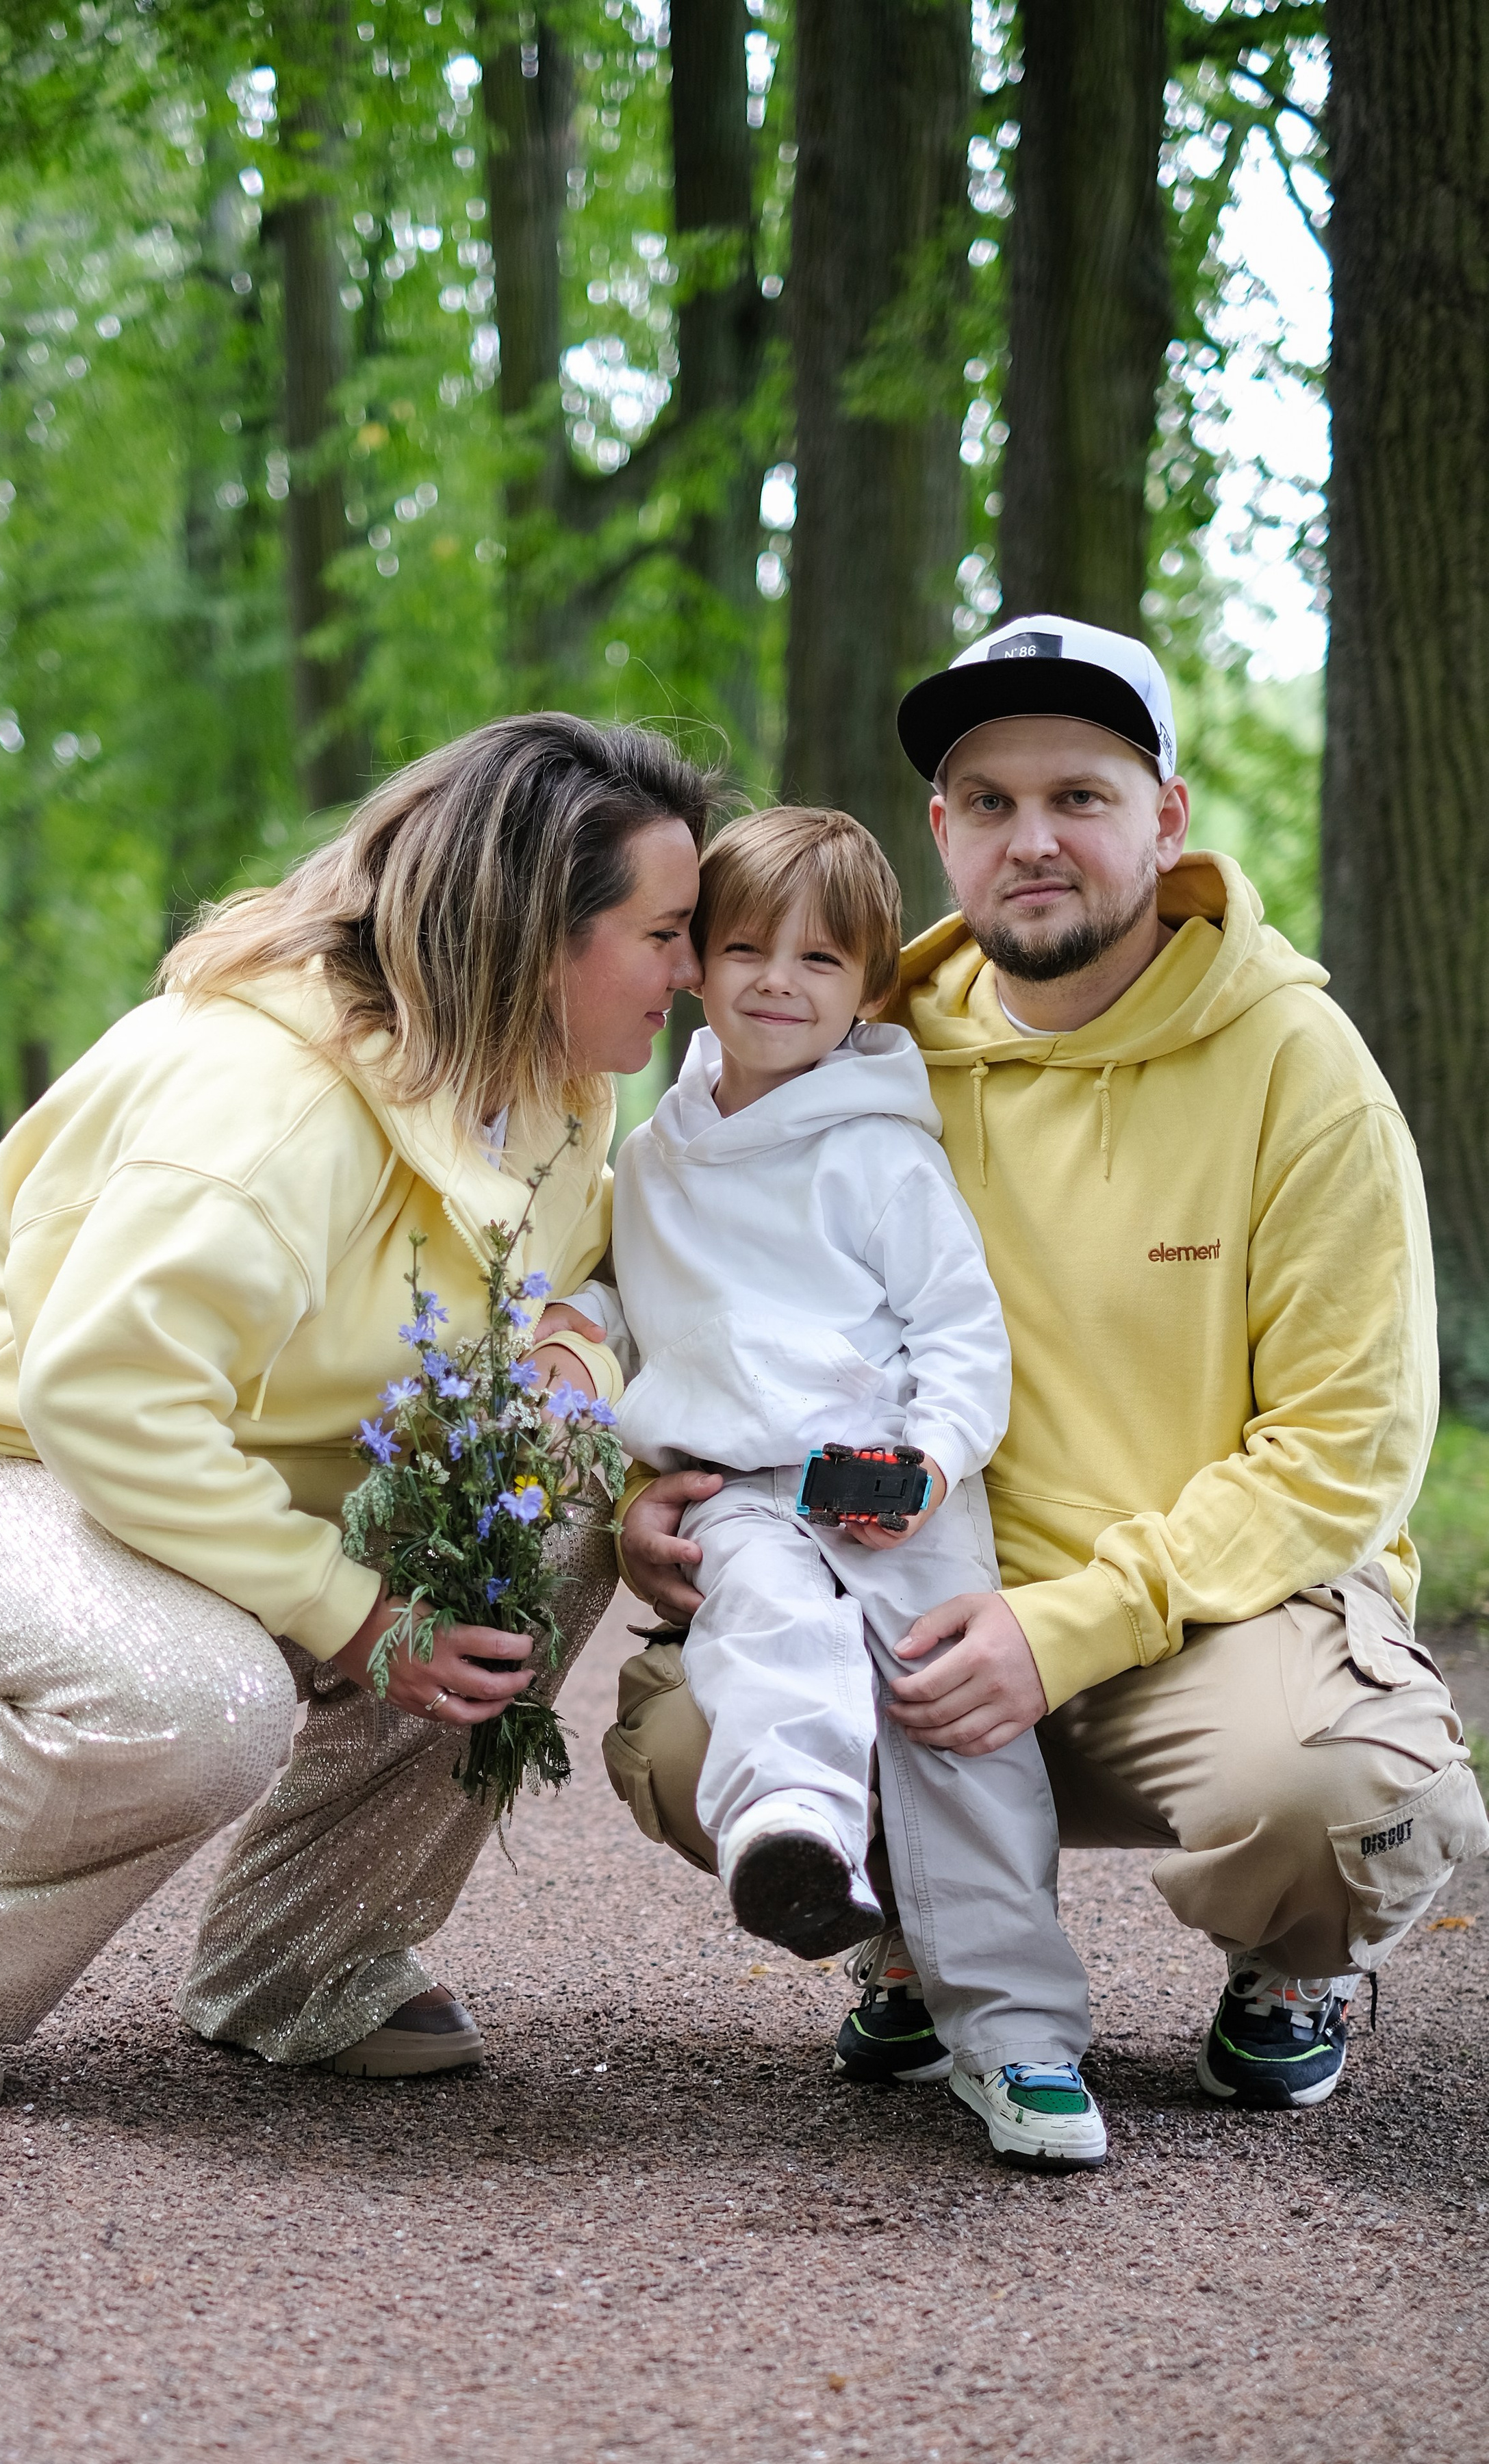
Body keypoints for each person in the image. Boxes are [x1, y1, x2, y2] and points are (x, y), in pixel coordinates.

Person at [606, 616, 1489, 2117]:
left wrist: (1072, 1623)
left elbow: (1344, 1448)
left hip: (1198, 1626)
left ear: (1164, 819)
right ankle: (903, 1946)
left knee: (1343, 1794)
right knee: (694, 1728)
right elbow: (707, 1265)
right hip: (912, 1597)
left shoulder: (1295, 1065)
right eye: (992, 803)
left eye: (1079, 796)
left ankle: (1294, 1957)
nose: (1035, 840)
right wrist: (648, 1487)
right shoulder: (856, 1042)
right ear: (941, 834)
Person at [0, 714, 709, 2107]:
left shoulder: (561, 1086)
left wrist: (575, 1351)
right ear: (533, 935)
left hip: (218, 1473)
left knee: (554, 1497)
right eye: (664, 932)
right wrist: (346, 1612)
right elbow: (105, 1395)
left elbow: (573, 1279)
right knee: (194, 1701)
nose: (690, 970)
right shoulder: (271, 1103)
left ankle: (303, 1963)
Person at [563, 806, 1103, 2169]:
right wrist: (568, 1349)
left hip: (886, 1482)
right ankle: (793, 1837)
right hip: (739, 1486)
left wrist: (926, 1457)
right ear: (693, 964)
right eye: (742, 947)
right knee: (764, 1636)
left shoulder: (879, 1151)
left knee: (953, 1732)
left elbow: (959, 1333)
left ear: (868, 987)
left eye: (817, 961)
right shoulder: (653, 1155)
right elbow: (621, 1302)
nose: (773, 982)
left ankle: (1017, 2036)